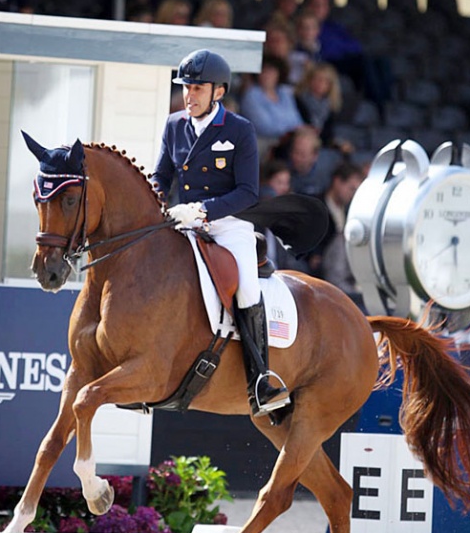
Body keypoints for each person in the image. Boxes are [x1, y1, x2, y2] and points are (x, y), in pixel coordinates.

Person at [151, 49, 290, 417]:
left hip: (229, 224)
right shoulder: (173, 125)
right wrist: (154, 202)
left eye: (197, 88)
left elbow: (248, 192)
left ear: (218, 92)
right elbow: (161, 177)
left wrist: (202, 210)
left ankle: (262, 379)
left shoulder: (239, 129)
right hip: (182, 222)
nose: (189, 95)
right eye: (186, 88)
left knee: (246, 287)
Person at [307, 162, 364, 302]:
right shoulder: (316, 207)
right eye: (351, 188)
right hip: (318, 273)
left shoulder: (352, 211)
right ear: (338, 182)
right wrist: (312, 255)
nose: (353, 194)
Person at [239, 53, 305, 158]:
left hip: (289, 139)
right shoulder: (251, 95)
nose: (267, 75)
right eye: (264, 71)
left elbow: (296, 119)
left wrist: (295, 131)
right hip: (263, 141)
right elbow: (264, 126)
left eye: (271, 71)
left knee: (307, 142)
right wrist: (290, 130)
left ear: (279, 74)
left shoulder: (284, 93)